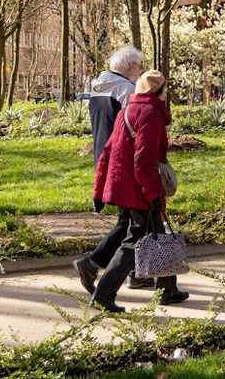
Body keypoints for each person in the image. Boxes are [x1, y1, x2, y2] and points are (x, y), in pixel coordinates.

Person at [87, 70, 188, 313]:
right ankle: (103, 295)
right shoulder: (151, 114)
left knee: (158, 232)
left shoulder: (126, 111)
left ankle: (168, 289)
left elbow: (107, 153)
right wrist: (154, 195)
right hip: (139, 189)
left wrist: (98, 191)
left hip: (125, 185)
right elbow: (144, 162)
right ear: (160, 92)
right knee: (134, 242)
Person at [74, 47, 150, 295]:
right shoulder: (126, 90)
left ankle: (136, 273)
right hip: (124, 163)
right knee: (130, 219)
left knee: (131, 218)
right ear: (130, 66)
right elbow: (134, 127)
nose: (139, 72)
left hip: (104, 158)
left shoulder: (98, 86)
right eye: (139, 66)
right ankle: (94, 263)